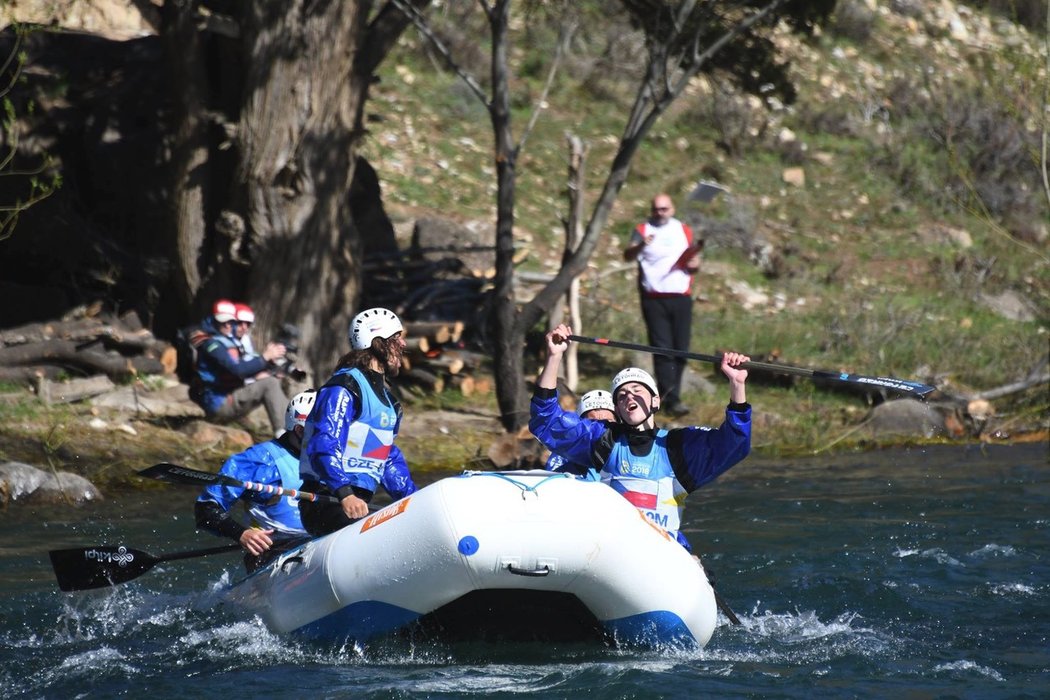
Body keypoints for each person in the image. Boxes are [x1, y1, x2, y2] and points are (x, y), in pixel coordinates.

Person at [529, 323, 751, 551]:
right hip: (614, 552)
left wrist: (737, 384)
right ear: (618, 409)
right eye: (622, 395)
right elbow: (545, 421)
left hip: (662, 551)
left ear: (655, 401)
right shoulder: (602, 440)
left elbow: (735, 443)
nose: (629, 396)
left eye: (637, 390)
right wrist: (554, 357)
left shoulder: (677, 446)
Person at [298, 307, 417, 536]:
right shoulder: (343, 388)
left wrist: (415, 501)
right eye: (396, 339)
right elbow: (324, 444)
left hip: (359, 503)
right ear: (377, 342)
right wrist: (345, 493)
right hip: (328, 500)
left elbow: (386, 459)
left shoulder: (391, 404)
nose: (403, 345)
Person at [195, 390, 317, 573]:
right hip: (275, 553)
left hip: (321, 543)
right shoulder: (258, 461)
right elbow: (206, 509)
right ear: (300, 430)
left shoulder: (337, 457)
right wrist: (241, 533)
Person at [623, 193, 703, 417]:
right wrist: (640, 246)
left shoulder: (683, 230)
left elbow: (693, 262)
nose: (661, 213)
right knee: (662, 349)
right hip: (654, 298)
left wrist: (695, 264)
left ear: (673, 209)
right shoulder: (642, 230)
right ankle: (670, 399)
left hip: (680, 296)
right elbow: (627, 255)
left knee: (681, 349)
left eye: (665, 209)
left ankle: (672, 393)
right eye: (657, 209)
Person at [191, 299, 288, 436]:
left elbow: (244, 367)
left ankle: (293, 429)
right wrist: (264, 357)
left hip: (227, 398)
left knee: (270, 381)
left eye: (231, 321)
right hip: (220, 404)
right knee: (270, 384)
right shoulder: (212, 345)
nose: (228, 325)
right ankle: (285, 436)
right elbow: (238, 370)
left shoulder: (227, 341)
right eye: (223, 321)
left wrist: (268, 364)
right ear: (213, 320)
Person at [545, 389, 615, 479]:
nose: (599, 429)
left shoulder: (626, 449)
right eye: (592, 422)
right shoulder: (562, 454)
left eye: (607, 423)